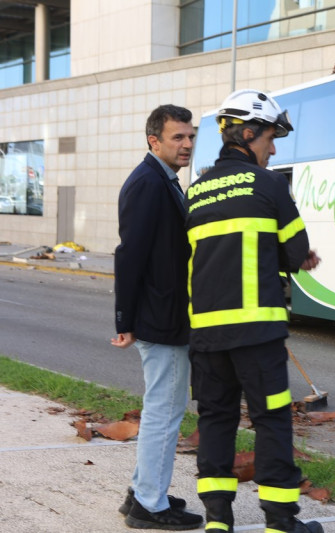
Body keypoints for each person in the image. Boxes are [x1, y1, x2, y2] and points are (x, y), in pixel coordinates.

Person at [185, 89, 322, 533]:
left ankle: (218, 523)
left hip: (206, 335)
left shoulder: (197, 191)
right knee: (272, 421)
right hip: (257, 332)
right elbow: (296, 251)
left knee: (216, 420)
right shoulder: (269, 185)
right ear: (247, 134)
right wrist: (289, 257)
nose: (274, 148)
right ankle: (281, 523)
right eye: (270, 138)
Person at [112, 104, 204, 530]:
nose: (187, 144)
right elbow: (130, 254)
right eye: (177, 138)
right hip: (161, 320)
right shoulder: (149, 183)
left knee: (161, 410)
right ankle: (150, 504)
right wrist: (124, 320)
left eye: (190, 136)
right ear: (154, 141)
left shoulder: (164, 180)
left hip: (165, 316)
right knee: (164, 413)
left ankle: (141, 493)